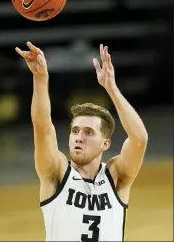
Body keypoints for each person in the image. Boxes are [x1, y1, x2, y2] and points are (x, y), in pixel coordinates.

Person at [15, 42, 148, 242]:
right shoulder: (57, 172)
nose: (79, 137)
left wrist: (111, 89)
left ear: (105, 144)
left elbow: (139, 139)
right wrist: (40, 78)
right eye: (75, 130)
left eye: (88, 132)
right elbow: (42, 127)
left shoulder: (116, 176)